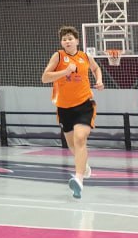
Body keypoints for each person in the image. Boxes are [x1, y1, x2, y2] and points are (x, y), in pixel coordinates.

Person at [41, 26, 103, 199]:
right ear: (61, 43)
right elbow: (45, 78)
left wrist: (99, 80)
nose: (67, 41)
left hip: (84, 104)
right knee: (72, 145)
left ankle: (79, 179)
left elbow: (96, 68)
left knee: (80, 138)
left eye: (70, 38)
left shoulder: (85, 56)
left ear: (77, 41)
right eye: (64, 39)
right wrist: (65, 71)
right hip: (64, 107)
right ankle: (85, 166)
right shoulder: (58, 56)